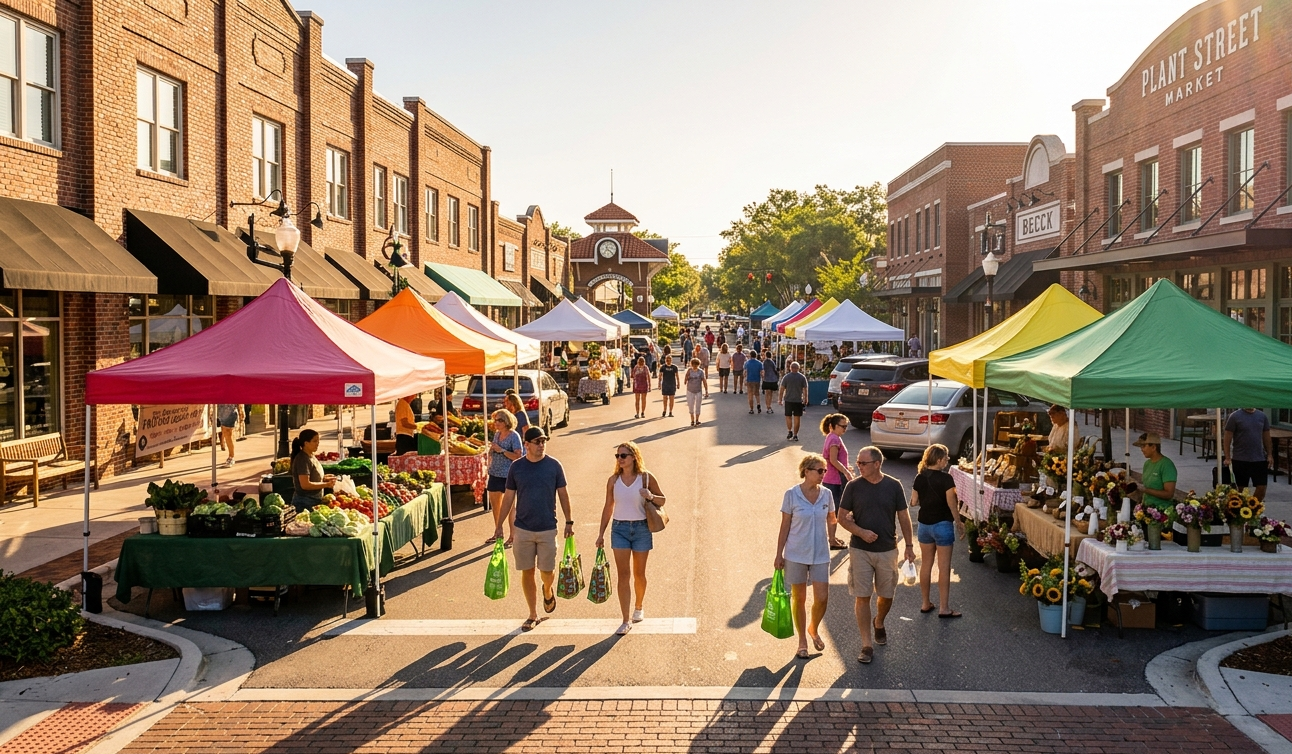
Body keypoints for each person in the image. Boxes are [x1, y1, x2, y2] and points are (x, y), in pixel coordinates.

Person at [836, 446, 915, 665]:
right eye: (858, 463)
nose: (858, 466)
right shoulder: (853, 487)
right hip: (860, 550)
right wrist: (861, 532)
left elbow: (904, 517)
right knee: (862, 596)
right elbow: (841, 517)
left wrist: (909, 545)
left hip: (887, 549)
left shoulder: (894, 485)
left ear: (877, 464)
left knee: (886, 594)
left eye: (863, 463)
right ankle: (866, 645)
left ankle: (879, 621)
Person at [493, 427, 574, 631]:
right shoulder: (516, 467)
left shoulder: (554, 466)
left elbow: (563, 495)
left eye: (543, 441)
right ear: (526, 445)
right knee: (527, 572)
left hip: (548, 528)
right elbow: (509, 497)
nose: (541, 445)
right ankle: (533, 614)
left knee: (547, 571)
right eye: (537, 441)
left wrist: (569, 522)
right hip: (523, 529)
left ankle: (548, 590)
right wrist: (499, 525)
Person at [597, 441, 667, 635]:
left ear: (634, 457)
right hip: (619, 528)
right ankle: (625, 619)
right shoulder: (613, 480)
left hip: (641, 529)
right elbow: (608, 507)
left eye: (623, 456)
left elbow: (663, 500)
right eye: (617, 456)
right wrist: (601, 534)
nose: (620, 459)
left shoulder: (645, 478)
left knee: (639, 574)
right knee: (623, 575)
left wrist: (650, 495)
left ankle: (639, 606)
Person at [774, 453, 837, 659]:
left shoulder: (827, 494)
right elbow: (784, 526)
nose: (823, 474)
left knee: (822, 598)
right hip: (796, 553)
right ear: (806, 471)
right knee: (799, 598)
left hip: (820, 553)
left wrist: (833, 537)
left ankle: (813, 628)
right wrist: (779, 554)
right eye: (819, 471)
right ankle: (802, 641)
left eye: (824, 471)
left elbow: (831, 518)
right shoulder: (792, 494)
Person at [912, 444, 964, 618]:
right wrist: (958, 522)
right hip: (942, 524)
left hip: (924, 525)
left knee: (926, 565)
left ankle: (925, 603)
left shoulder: (919, 477)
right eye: (947, 459)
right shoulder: (946, 479)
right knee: (944, 567)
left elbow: (913, 501)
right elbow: (951, 503)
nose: (947, 461)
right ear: (940, 460)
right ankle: (944, 608)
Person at [486, 409, 523, 545]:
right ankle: (498, 532)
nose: (496, 423)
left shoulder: (514, 436)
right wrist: (492, 450)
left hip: (508, 475)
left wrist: (502, 450)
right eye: (495, 420)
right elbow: (496, 449)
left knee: (510, 507)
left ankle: (513, 536)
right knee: (496, 506)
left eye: (499, 420)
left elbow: (518, 455)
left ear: (507, 422)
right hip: (495, 473)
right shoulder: (497, 434)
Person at [1225, 408, 1273, 501]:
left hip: (1259, 458)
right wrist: (1227, 457)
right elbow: (1227, 438)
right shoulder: (1235, 416)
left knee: (1261, 488)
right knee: (1240, 490)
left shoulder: (1262, 416)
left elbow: (1266, 436)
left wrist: (1270, 454)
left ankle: (1252, 508)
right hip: (1240, 459)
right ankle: (1240, 511)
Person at [820, 413, 851, 549]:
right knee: (835, 511)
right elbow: (833, 460)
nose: (844, 429)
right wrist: (846, 471)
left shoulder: (833, 437)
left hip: (832, 479)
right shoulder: (834, 439)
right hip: (834, 480)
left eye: (846, 426)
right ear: (832, 426)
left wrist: (845, 467)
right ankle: (832, 540)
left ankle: (832, 537)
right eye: (842, 426)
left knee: (833, 511)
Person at [290, 429, 335, 510]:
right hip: (305, 503)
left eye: (318, 441)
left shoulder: (311, 455)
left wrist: (324, 478)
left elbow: (313, 476)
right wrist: (326, 485)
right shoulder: (302, 459)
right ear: (306, 443)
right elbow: (305, 485)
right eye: (314, 441)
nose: (317, 444)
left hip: (314, 501)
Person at [1133, 432, 1177, 507]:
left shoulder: (1167, 465)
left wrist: (1146, 490)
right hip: (1146, 508)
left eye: (1143, 446)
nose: (1141, 449)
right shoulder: (1147, 464)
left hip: (1161, 511)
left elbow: (1169, 494)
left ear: (1153, 447)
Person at [779, 361, 809, 441]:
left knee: (788, 416)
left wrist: (780, 399)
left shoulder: (786, 377)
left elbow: (782, 389)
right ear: (798, 368)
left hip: (788, 400)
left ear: (790, 368)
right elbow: (805, 389)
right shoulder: (802, 377)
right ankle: (795, 434)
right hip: (798, 400)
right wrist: (806, 398)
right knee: (797, 418)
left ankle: (789, 431)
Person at [216, 404, 242, 468]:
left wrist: (241, 410)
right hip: (221, 413)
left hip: (230, 412)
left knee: (228, 434)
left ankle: (231, 456)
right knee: (225, 433)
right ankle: (230, 454)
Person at [684, 357, 707, 426]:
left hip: (698, 391)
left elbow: (704, 381)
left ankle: (697, 420)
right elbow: (685, 379)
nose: (695, 366)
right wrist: (686, 378)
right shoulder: (689, 371)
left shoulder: (701, 372)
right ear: (691, 364)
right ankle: (692, 419)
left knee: (698, 406)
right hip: (690, 390)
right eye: (693, 364)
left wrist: (706, 391)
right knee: (691, 405)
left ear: (698, 365)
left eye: (696, 365)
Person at [744, 349, 764, 414]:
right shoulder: (759, 363)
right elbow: (762, 372)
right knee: (757, 393)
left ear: (750, 355)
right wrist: (762, 378)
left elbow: (745, 372)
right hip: (757, 380)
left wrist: (744, 379)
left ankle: (751, 409)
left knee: (750, 395)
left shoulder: (747, 363)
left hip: (750, 380)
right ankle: (758, 403)